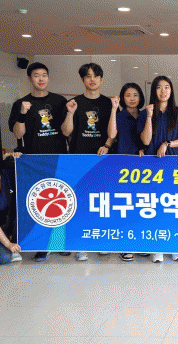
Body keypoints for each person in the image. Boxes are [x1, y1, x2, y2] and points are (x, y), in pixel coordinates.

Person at [8, 62, 68, 262]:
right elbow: (18, 133)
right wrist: (23, 113)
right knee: (39, 203)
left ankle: (59, 242)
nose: (41, 79)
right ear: (29, 78)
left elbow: (67, 131)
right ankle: (42, 245)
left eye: (44, 75)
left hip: (57, 158)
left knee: (61, 200)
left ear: (48, 77)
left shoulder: (59, 101)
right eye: (36, 75)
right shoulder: (20, 103)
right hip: (32, 161)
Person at [61, 63, 116, 261]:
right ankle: (81, 244)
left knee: (102, 201)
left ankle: (101, 240)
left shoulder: (108, 103)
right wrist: (70, 113)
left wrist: (107, 145)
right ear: (83, 79)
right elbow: (66, 132)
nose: (92, 80)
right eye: (88, 76)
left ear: (101, 79)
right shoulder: (74, 103)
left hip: (102, 160)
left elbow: (113, 133)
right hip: (79, 158)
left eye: (96, 76)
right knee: (81, 201)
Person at [138, 75, 178, 263]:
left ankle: (175, 245)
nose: (163, 91)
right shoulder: (146, 113)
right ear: (154, 91)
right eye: (159, 87)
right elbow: (145, 141)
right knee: (155, 206)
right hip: (152, 166)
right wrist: (149, 116)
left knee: (174, 206)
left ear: (171, 90)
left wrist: (167, 144)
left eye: (167, 87)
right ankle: (157, 247)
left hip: (173, 165)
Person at [108, 83, 145, 262]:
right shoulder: (119, 115)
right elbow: (111, 134)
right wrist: (113, 109)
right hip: (123, 165)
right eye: (128, 95)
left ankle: (140, 242)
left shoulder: (146, 114)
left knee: (141, 206)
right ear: (122, 98)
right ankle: (125, 245)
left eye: (135, 95)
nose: (132, 98)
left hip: (143, 166)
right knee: (125, 206)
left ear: (140, 97)